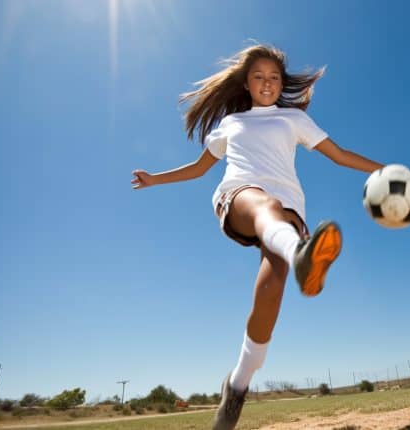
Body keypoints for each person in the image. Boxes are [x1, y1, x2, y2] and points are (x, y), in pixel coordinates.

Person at [131, 44, 383, 430]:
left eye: (274, 77)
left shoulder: (293, 119)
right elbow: (199, 169)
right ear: (246, 84)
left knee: (272, 290)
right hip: (240, 196)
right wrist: (154, 179)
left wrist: (385, 169)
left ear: (282, 84)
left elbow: (340, 154)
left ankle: (237, 384)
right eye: (259, 76)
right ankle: (301, 253)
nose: (267, 82)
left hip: (289, 210)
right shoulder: (231, 123)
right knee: (265, 204)